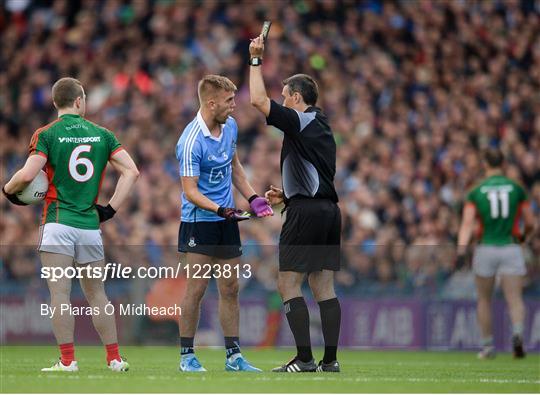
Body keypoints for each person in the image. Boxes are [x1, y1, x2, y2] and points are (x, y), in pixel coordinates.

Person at [2, 77, 139, 372]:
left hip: (58, 222)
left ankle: (68, 361)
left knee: (60, 294)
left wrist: (7, 189)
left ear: (55, 103)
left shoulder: (47, 134)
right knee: (97, 294)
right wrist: (110, 209)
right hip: (89, 225)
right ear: (79, 101)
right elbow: (131, 171)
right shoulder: (102, 134)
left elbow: (27, 175)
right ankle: (114, 359)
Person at [249, 36, 342, 373]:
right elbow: (319, 174)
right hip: (328, 211)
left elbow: (258, 100)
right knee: (323, 285)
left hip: (306, 214)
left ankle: (304, 359)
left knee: (288, 283)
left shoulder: (299, 119)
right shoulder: (322, 125)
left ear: (297, 98)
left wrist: (256, 59)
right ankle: (329, 361)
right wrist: (288, 195)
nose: (282, 100)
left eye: (286, 95)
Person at [175, 74, 273, 372]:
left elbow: (235, 167)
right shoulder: (190, 140)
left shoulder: (230, 127)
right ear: (211, 102)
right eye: (229, 101)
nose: (234, 106)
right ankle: (187, 356)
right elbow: (190, 191)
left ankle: (234, 356)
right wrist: (221, 209)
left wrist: (253, 197)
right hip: (200, 221)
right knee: (197, 288)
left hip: (225, 218)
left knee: (230, 287)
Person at [457, 148, 536, 359]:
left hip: (486, 248)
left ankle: (487, 346)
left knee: (484, 299)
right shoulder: (517, 188)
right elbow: (530, 223)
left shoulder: (476, 191)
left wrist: (461, 249)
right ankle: (518, 339)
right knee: (515, 298)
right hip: (511, 247)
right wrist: (520, 241)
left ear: (485, 164)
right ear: (503, 164)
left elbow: (467, 224)